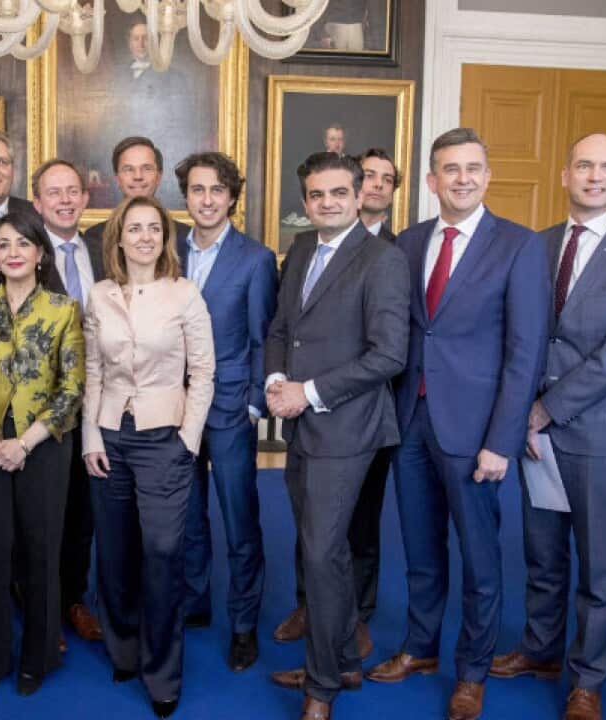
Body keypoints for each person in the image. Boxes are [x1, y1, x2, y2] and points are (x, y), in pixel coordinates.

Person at [366, 128, 550, 720]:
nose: (462, 178)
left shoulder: (519, 246)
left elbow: (525, 354)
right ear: (431, 180)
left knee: (479, 558)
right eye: (450, 169)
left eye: (473, 167)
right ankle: (420, 648)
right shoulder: (411, 241)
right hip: (411, 420)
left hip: (475, 432)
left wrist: (502, 441)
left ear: (487, 176)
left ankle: (471, 671)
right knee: (420, 548)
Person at [489, 133, 606, 720]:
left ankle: (587, 677)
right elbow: (516, 332)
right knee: (542, 556)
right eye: (585, 165)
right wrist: (521, 412)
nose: (595, 175)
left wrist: (547, 407)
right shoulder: (533, 247)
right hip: (533, 431)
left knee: (599, 567)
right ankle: (541, 651)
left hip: (597, 434)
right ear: (565, 174)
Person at [263, 152, 409, 720]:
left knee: (322, 554)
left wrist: (310, 392)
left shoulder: (383, 260)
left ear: (359, 195)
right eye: (317, 195)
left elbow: (389, 355)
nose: (328, 202)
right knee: (323, 550)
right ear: (306, 203)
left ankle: (320, 688)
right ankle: (344, 658)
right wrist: (278, 380)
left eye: (339, 193)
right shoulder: (301, 249)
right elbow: (281, 329)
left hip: (348, 426)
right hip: (301, 423)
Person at [82, 194, 214, 718]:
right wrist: (90, 435)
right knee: (114, 553)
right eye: (133, 229)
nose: (143, 237)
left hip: (165, 439)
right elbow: (92, 370)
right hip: (110, 436)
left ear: (165, 239)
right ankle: (123, 649)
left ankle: (161, 672)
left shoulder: (185, 295)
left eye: (152, 229)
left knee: (162, 553)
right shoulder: (98, 295)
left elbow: (203, 373)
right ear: (117, 238)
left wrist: (188, 437)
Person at [0, 211, 85, 696]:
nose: (12, 252)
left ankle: (39, 656)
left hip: (44, 447)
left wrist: (24, 442)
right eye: (3, 244)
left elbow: (72, 389)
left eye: (22, 244)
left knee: (41, 551)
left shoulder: (63, 309)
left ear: (40, 254)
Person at [173, 151, 276, 671]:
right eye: (197, 189)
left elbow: (263, 336)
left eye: (217, 190)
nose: (207, 199)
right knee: (187, 515)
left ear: (232, 196)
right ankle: (194, 602)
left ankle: (243, 623)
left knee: (240, 519)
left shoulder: (255, 259)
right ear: (185, 195)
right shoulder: (167, 247)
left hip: (232, 406)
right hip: (172, 406)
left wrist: (256, 403)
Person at [31, 158, 106, 645]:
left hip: (98, 402)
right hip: (42, 407)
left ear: (85, 198)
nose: (64, 200)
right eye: (53, 192)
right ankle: (41, 608)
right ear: (36, 203)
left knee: (84, 510)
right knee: (41, 512)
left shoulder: (103, 248)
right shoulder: (21, 253)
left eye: (72, 191)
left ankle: (73, 599)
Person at [82, 137, 191, 249]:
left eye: (146, 168)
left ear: (159, 177)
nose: (138, 176)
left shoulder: (185, 237)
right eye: (128, 169)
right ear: (118, 179)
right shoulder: (95, 238)